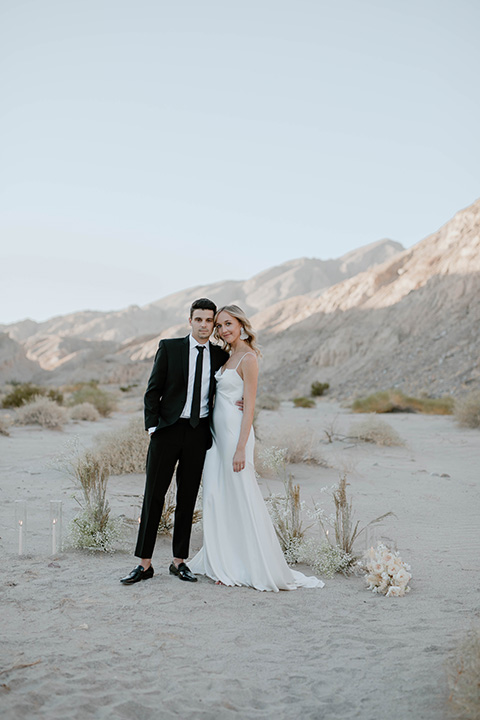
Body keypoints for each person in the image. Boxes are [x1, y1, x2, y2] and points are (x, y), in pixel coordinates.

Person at [189, 305, 324, 591]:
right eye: (220, 326)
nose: (224, 330)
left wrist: (241, 449)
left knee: (240, 494)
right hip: (216, 436)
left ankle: (244, 563)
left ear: (241, 324)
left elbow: (249, 407)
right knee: (215, 494)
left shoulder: (248, 358)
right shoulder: (228, 356)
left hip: (235, 435)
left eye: (229, 324)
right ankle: (220, 558)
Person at [121, 298, 229, 585]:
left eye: (209, 320)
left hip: (198, 433)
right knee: (153, 496)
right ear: (190, 320)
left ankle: (179, 562)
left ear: (213, 322)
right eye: (199, 319)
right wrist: (153, 428)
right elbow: (152, 390)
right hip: (167, 431)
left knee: (187, 498)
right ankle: (144, 565)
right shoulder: (169, 348)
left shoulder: (220, 355)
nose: (204, 325)